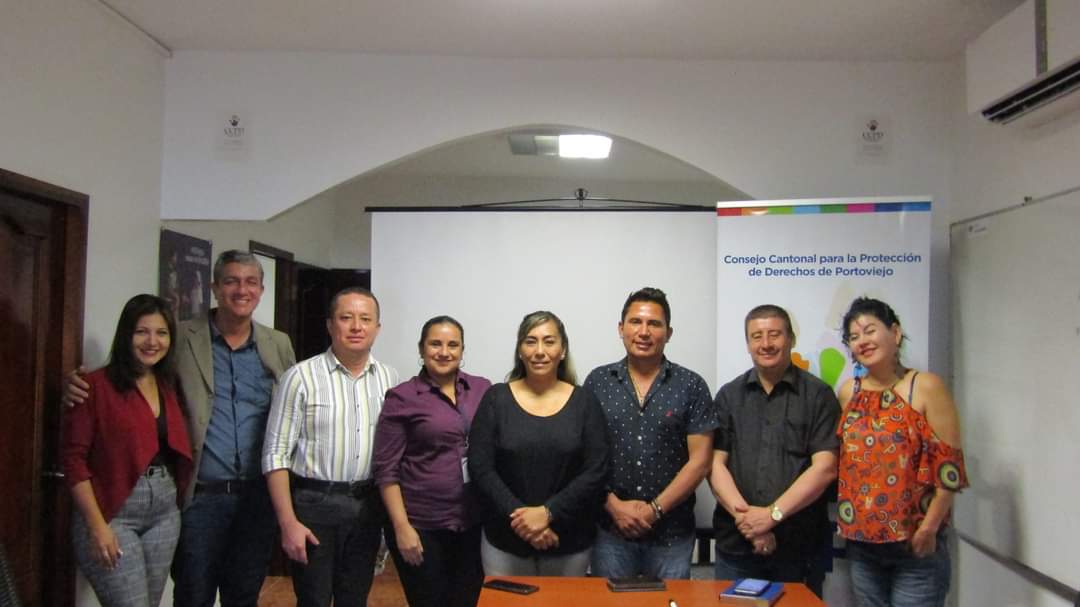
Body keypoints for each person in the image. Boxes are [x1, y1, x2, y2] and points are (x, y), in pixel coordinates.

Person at [63, 250, 296, 607]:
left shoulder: (278, 344)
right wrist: (77, 384)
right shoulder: (181, 336)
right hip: (200, 496)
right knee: (192, 594)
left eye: (251, 282)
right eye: (231, 281)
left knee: (244, 594)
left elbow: (293, 408)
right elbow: (136, 375)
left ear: (261, 290)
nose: (242, 290)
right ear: (214, 288)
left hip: (256, 496)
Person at [262, 287, 399, 607]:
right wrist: (288, 523)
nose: (356, 327)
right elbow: (275, 453)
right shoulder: (300, 377)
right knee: (313, 598)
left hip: (367, 506)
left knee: (355, 597)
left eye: (365, 319)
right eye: (346, 317)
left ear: (377, 328)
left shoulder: (389, 379)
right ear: (329, 325)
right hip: (314, 505)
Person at [61, 294, 193, 607]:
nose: (152, 342)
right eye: (141, 332)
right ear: (126, 335)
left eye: (161, 333)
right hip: (113, 512)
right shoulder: (93, 386)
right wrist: (97, 526)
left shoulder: (168, 384)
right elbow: (73, 461)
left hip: (164, 513)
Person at [836, 297, 968, 607]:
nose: (862, 341)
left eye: (870, 330)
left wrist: (929, 528)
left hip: (916, 544)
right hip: (862, 546)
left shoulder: (925, 386)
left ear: (894, 333)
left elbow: (949, 469)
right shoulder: (849, 391)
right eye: (854, 336)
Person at [583, 287, 716, 580]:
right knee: (611, 602)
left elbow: (700, 462)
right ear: (621, 328)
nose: (644, 332)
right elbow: (586, 456)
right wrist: (613, 506)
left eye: (654, 324)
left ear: (669, 333)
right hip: (611, 531)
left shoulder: (691, 385)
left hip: (672, 535)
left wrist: (654, 510)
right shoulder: (597, 382)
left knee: (670, 601)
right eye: (635, 322)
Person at [709, 304, 840, 597]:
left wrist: (772, 515)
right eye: (756, 336)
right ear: (748, 344)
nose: (766, 344)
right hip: (737, 546)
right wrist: (749, 522)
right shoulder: (729, 396)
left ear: (791, 339)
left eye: (774, 335)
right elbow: (714, 465)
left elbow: (825, 468)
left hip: (799, 548)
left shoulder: (818, 396)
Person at [467, 311, 608, 576]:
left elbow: (596, 470)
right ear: (520, 350)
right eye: (530, 341)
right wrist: (523, 519)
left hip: (568, 541)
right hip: (505, 541)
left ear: (562, 350)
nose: (539, 351)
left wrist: (548, 513)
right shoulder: (496, 398)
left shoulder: (585, 402)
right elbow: (480, 467)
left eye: (549, 341)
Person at [373, 316, 491, 607]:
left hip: (472, 523)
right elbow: (386, 470)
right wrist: (401, 528)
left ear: (462, 350)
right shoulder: (402, 397)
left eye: (453, 345)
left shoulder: (482, 389)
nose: (444, 352)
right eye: (435, 344)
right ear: (421, 349)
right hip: (421, 525)